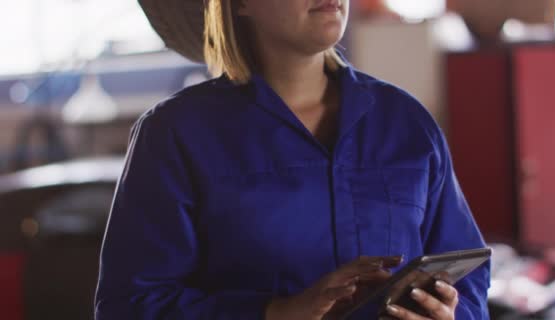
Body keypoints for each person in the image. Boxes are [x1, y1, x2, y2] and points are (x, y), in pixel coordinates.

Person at [94, 0, 490, 319]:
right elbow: (129, 306)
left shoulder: (405, 123)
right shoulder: (175, 135)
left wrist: (447, 314)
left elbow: (468, 282)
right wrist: (275, 313)